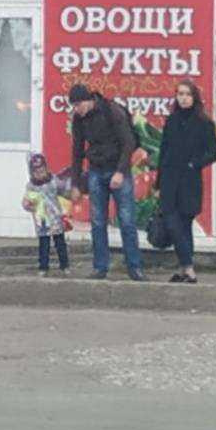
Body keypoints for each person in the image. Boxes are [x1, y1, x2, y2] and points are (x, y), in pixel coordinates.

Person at [68, 83, 145, 282]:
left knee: (126, 220)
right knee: (97, 221)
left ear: (88, 100)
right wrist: (75, 183)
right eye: (74, 106)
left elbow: (128, 142)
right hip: (96, 170)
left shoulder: (112, 111)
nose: (77, 109)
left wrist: (120, 172)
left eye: (78, 105)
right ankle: (100, 267)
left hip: (118, 169)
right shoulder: (78, 119)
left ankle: (135, 267)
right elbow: (77, 151)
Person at [156, 80, 216, 283]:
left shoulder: (204, 123)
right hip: (169, 180)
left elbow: (214, 152)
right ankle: (188, 267)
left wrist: (195, 164)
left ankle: (186, 269)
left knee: (184, 226)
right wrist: (158, 183)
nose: (183, 98)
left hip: (189, 182)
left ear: (194, 97)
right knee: (172, 224)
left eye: (187, 94)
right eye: (180, 94)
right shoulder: (172, 121)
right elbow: (164, 152)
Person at [21, 153, 71, 276]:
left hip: (55, 217)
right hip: (42, 219)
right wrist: (27, 205)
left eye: (42, 170)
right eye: (36, 172)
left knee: (60, 243)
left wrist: (69, 193)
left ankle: (64, 265)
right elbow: (27, 201)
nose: (39, 174)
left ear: (46, 168)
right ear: (31, 173)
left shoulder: (53, 180)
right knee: (44, 244)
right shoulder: (31, 186)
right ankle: (43, 267)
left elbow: (63, 190)